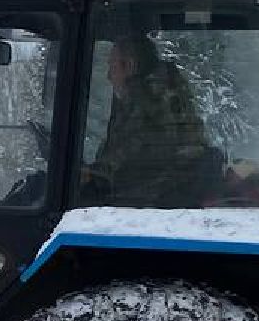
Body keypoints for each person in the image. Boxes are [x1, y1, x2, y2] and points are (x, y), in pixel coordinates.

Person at [84, 35, 220, 207]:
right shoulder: (166, 94)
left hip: (151, 200)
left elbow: (124, 159)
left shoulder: (147, 104)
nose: (109, 76)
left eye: (112, 67)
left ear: (129, 66)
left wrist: (91, 175)